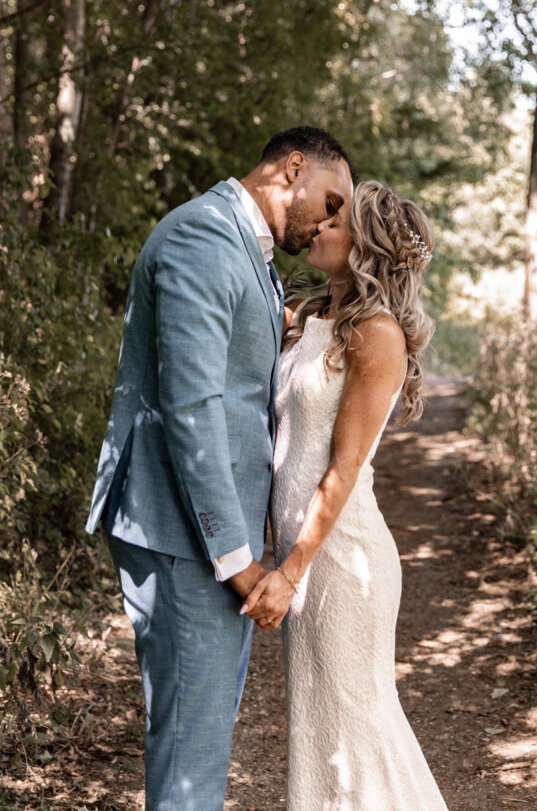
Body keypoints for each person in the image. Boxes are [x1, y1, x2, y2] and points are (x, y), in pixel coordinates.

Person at [85, 126, 354, 811]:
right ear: (292, 168)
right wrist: (237, 562)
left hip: (201, 532)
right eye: (329, 201)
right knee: (191, 753)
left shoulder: (245, 247)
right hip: (184, 533)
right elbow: (193, 406)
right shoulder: (201, 237)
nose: (330, 221)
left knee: (199, 737)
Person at [242, 180, 449, 811]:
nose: (318, 224)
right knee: (322, 734)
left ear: (364, 243)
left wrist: (291, 571)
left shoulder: (377, 333)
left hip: (339, 557)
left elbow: (344, 468)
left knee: (358, 729)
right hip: (308, 556)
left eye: (336, 218)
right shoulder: (309, 317)